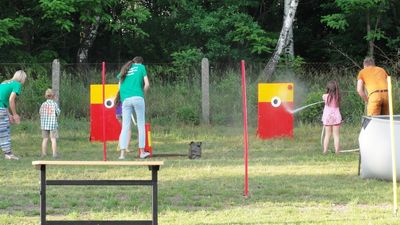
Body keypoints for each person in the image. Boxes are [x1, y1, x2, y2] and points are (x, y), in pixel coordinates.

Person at [117, 56, 150, 159]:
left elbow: (119, 87)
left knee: (125, 127)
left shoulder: (125, 69)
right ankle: (142, 152)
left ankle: (122, 154)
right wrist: (142, 93)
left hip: (125, 99)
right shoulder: (141, 67)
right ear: (140, 62)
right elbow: (147, 84)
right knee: (140, 125)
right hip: (137, 97)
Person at [0, 70, 27, 160]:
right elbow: (11, 100)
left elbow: (3, 100)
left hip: (2, 108)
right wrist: (15, 115)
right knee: (4, 132)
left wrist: (9, 115)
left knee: (4, 129)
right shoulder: (17, 84)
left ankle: (8, 153)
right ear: (22, 78)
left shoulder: (4, 83)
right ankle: (8, 154)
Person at [322, 80, 342, 154]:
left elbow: (325, 99)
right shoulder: (338, 97)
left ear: (328, 88)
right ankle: (337, 151)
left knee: (327, 135)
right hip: (336, 118)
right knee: (336, 135)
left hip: (327, 118)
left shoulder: (324, 96)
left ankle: (325, 151)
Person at [39, 89, 61, 158]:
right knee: (53, 139)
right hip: (52, 125)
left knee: (45, 139)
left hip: (44, 125)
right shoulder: (54, 104)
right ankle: (54, 154)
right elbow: (58, 112)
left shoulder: (43, 104)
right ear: (53, 96)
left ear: (46, 96)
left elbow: (40, 112)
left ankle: (43, 153)